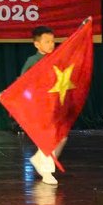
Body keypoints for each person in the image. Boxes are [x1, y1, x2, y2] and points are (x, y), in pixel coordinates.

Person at [23, 26, 63, 185]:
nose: (51, 44)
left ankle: (39, 159)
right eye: (47, 42)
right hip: (40, 104)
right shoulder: (33, 61)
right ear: (37, 44)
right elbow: (23, 82)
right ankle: (47, 172)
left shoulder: (57, 58)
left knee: (61, 137)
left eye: (53, 41)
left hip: (54, 103)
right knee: (47, 137)